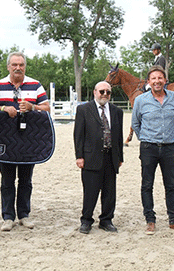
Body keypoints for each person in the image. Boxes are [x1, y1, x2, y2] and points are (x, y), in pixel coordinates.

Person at [0, 52, 50, 231]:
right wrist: (3, 108)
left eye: (21, 65)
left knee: (26, 180)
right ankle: (8, 217)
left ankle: (24, 215)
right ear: (8, 67)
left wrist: (32, 107)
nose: (18, 68)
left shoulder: (36, 85)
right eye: (14, 65)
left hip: (29, 141)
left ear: (25, 67)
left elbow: (47, 108)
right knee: (7, 180)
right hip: (5, 140)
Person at [131, 65, 174, 235]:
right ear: (149, 82)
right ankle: (150, 220)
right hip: (148, 147)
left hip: (169, 148)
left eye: (160, 78)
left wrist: (170, 136)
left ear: (165, 80)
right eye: (154, 78)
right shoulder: (141, 100)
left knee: (171, 185)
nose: (157, 81)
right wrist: (145, 138)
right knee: (147, 185)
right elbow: (135, 123)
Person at [74, 81, 124, 234]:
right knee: (90, 191)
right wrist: (79, 156)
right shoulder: (84, 109)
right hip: (91, 156)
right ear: (95, 92)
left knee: (110, 192)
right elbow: (78, 135)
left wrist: (120, 156)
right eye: (102, 91)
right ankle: (86, 220)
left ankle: (106, 220)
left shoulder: (117, 111)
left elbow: (119, 136)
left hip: (110, 157)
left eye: (108, 92)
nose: (105, 95)